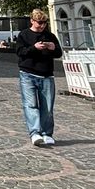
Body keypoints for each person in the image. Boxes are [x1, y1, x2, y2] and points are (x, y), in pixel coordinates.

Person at [15, 9, 62, 147]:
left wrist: (53, 48)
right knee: (30, 105)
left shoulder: (50, 36)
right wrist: (34, 48)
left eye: (44, 23)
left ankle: (47, 133)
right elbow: (20, 52)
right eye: (39, 22)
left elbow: (59, 53)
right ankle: (35, 132)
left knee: (47, 107)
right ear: (32, 21)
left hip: (47, 74)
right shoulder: (24, 35)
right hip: (27, 74)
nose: (42, 25)